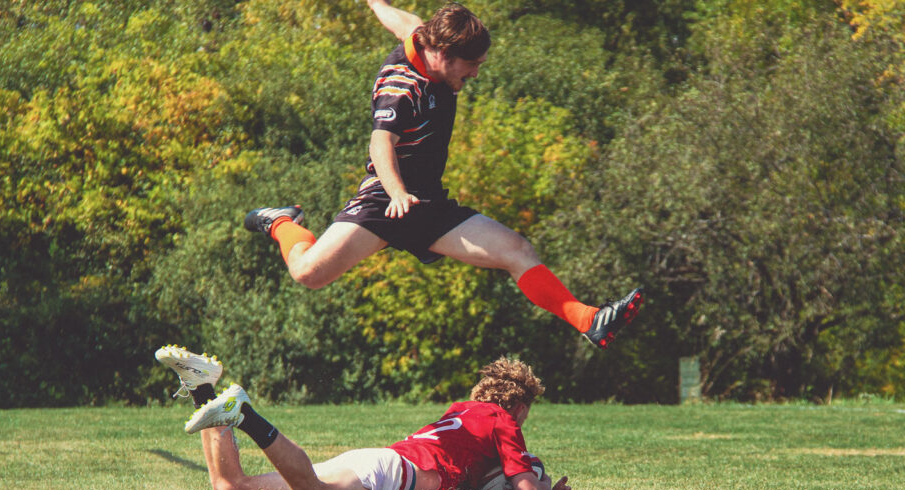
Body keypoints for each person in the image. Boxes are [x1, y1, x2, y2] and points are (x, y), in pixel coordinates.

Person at [242, 0, 643, 349]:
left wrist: (376, 4)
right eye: (472, 65)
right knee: (308, 273)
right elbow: (380, 143)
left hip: (427, 202)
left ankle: (588, 320)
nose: (475, 74)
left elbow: (403, 20)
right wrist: (397, 192)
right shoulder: (403, 87)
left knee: (517, 251)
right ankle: (281, 221)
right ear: (444, 53)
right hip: (387, 202)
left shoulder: (424, 41)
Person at [156, 345, 572, 490]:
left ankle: (202, 389)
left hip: (380, 460)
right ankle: (245, 415)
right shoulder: (504, 419)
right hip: (393, 473)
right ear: (519, 404)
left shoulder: (465, 409)